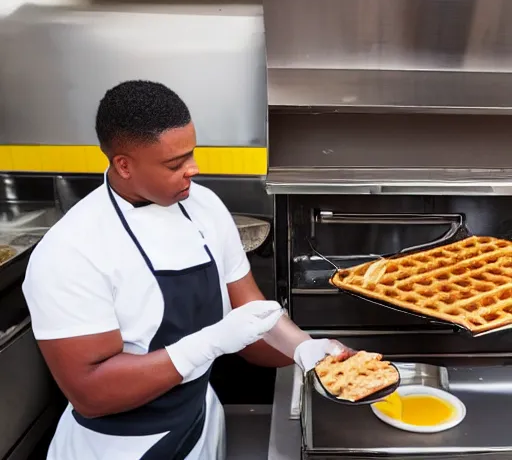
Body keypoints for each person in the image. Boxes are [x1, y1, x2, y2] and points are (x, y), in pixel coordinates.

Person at [22, 81, 352, 460]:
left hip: (200, 423)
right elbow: (91, 393)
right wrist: (207, 344)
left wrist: (304, 349)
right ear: (124, 165)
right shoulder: (71, 251)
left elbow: (251, 312)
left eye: (191, 154)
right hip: (120, 447)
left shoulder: (205, 209)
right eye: (174, 164)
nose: (193, 170)